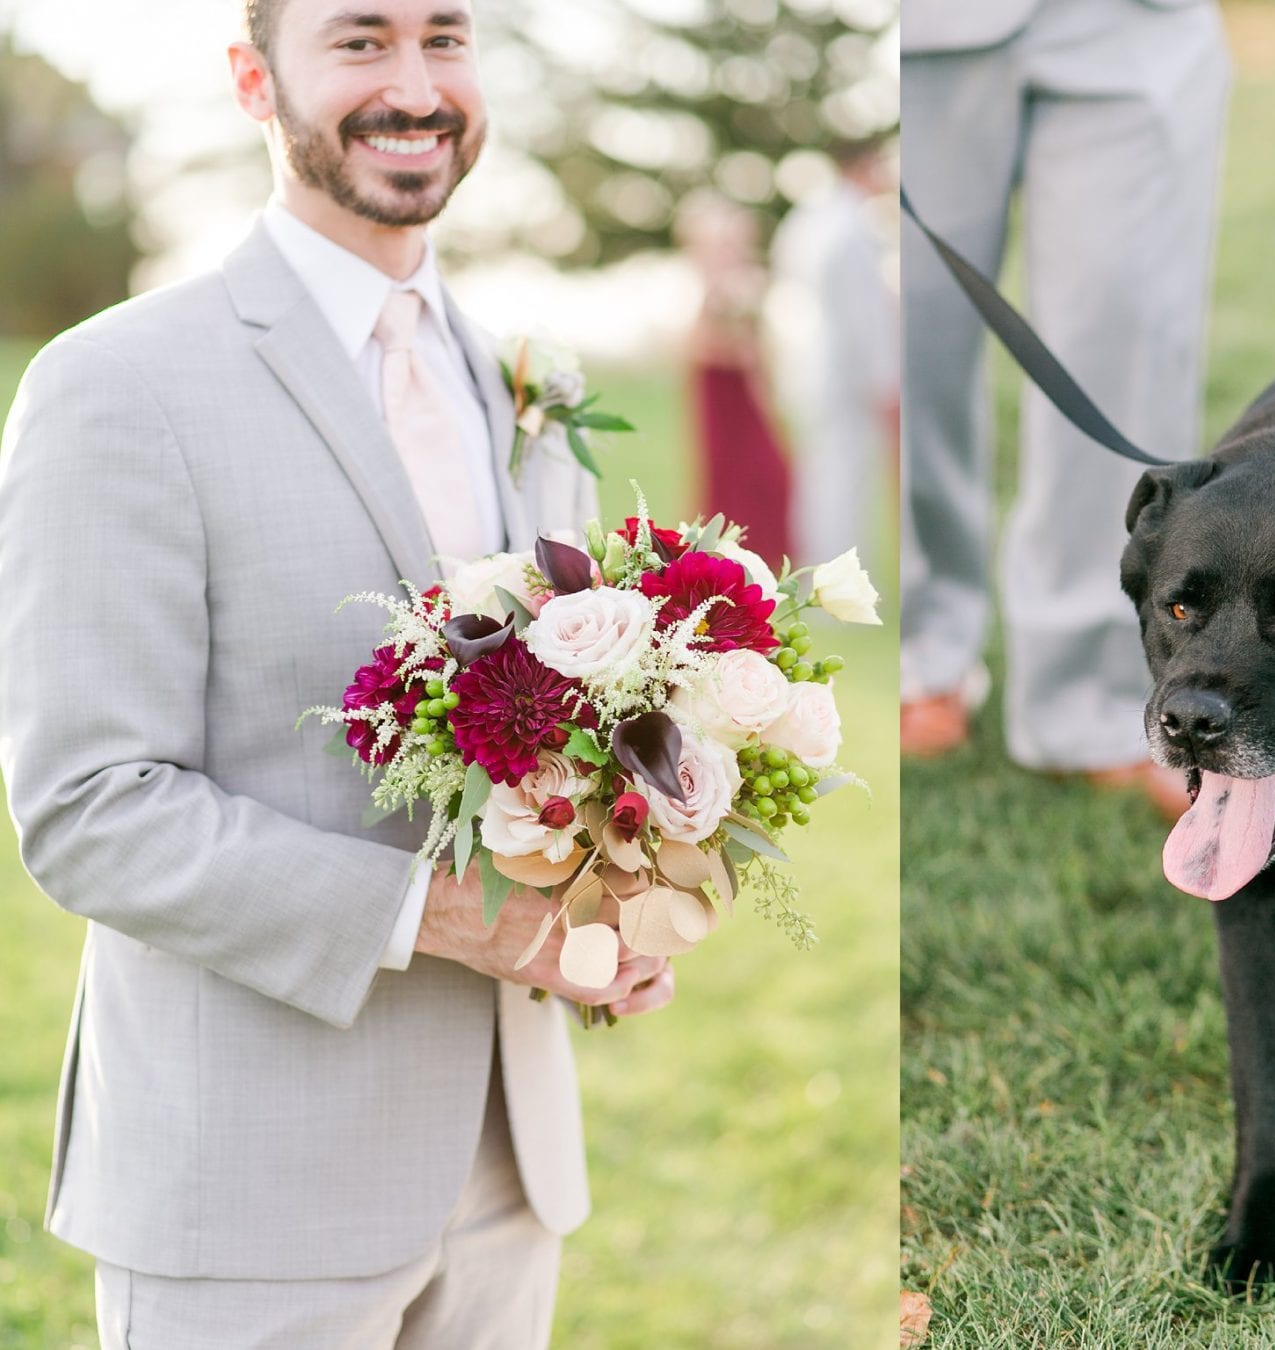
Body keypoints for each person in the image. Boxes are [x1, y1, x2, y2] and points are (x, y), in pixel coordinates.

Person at [0, 1, 672, 1342]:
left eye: (446, 37)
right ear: (255, 79)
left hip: (511, 1168)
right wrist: (454, 916)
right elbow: (89, 807)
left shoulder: (523, 378)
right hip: (250, 1185)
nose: (414, 85)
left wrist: (621, 880)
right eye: (360, 42)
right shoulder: (116, 384)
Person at [899, 0, 1233, 817]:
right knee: (913, 330)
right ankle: (919, 640)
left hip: (1127, 23)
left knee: (1123, 337)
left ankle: (1091, 689)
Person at [770, 137, 899, 566]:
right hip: (843, 376)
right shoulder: (851, 231)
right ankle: (839, 580)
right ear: (861, 167)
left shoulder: (807, 219)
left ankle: (820, 573)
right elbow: (864, 318)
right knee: (844, 482)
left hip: (803, 368)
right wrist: (886, 381)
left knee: (819, 478)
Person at [677, 190, 795, 566]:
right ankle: (724, 554)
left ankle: (768, 552)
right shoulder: (708, 284)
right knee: (726, 472)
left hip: (746, 389)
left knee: (770, 471)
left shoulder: (751, 280)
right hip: (719, 386)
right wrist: (734, 348)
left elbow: (763, 346)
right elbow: (695, 346)